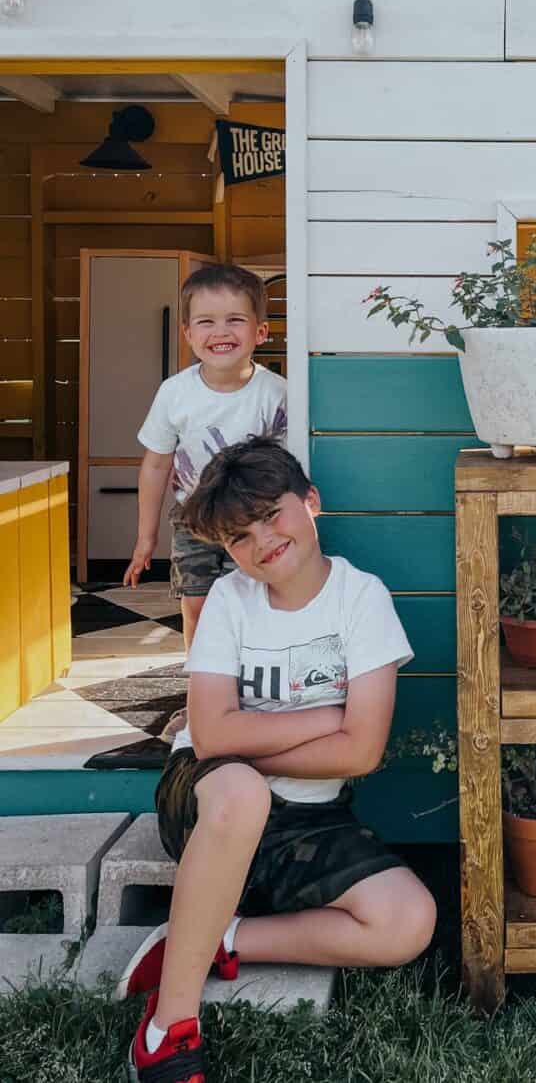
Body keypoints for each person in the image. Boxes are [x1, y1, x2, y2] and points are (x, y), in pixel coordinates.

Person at [118, 437, 436, 1083]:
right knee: (239, 790)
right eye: (239, 535)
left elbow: (363, 750)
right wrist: (324, 717)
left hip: (308, 817)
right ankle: (167, 1030)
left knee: (408, 921)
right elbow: (208, 737)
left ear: (310, 502)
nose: (261, 539)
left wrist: (253, 732)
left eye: (271, 514)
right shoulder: (232, 601)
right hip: (206, 796)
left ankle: (210, 938)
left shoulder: (360, 597)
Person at [124, 262, 287, 655]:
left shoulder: (277, 393)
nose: (220, 332)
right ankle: (201, 688)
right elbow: (156, 465)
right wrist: (146, 538)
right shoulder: (175, 393)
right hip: (193, 518)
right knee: (196, 605)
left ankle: (249, 687)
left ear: (260, 331)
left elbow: (289, 468)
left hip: (254, 518)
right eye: (206, 322)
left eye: (235, 320)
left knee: (250, 602)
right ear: (188, 333)